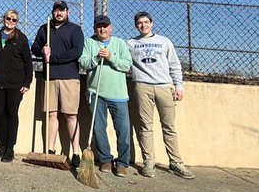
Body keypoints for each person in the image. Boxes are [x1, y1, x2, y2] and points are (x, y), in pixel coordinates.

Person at [127, 10, 193, 180]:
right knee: (145, 127)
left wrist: (179, 86)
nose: (143, 25)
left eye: (146, 22)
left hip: (164, 87)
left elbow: (174, 65)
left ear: (152, 23)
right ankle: (149, 163)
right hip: (142, 87)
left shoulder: (164, 42)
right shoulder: (131, 43)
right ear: (136, 25)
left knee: (169, 127)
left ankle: (176, 163)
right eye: (140, 23)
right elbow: (124, 63)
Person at [30, 0, 84, 169]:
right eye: (56, 10)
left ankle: (75, 153)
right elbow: (35, 48)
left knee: (71, 115)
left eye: (62, 10)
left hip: (69, 78)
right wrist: (42, 51)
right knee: (51, 114)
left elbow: (76, 51)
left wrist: (52, 58)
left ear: (67, 12)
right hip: (49, 77)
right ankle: (51, 151)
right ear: (53, 12)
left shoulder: (75, 29)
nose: (58, 13)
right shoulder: (44, 28)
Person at [79, 14, 133, 177]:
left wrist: (111, 57)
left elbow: (126, 64)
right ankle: (105, 160)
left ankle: (122, 162)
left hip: (118, 95)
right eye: (98, 26)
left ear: (110, 27)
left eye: (105, 26)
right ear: (95, 28)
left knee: (123, 129)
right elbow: (83, 62)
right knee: (98, 128)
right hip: (96, 93)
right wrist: (96, 58)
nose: (102, 29)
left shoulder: (119, 43)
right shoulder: (89, 42)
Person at [0, 9, 33, 163]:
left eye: (14, 20)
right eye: (8, 18)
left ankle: (10, 148)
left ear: (17, 22)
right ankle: (4, 145)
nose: (10, 21)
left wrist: (27, 82)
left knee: (11, 114)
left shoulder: (21, 38)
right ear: (3, 18)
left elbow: (28, 62)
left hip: (15, 85)